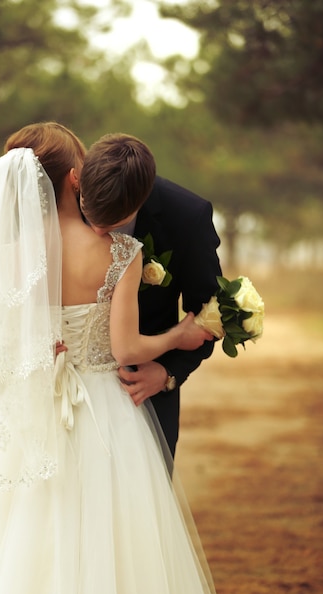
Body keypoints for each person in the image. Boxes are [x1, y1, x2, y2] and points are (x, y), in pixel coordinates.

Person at [0, 122, 225, 594]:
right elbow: (126, 346)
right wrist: (176, 337)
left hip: (29, 408)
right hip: (107, 408)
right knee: (115, 536)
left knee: (14, 534)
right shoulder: (119, 254)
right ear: (76, 179)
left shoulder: (12, 257)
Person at [80, 133, 222, 457]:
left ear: (142, 200)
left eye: (112, 223)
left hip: (145, 399)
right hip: (66, 393)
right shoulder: (65, 196)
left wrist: (168, 373)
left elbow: (210, 310)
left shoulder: (187, 216)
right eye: (88, 215)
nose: (97, 233)